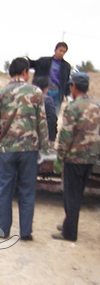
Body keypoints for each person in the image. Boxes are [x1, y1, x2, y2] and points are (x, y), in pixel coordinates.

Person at [0, 57, 49, 241]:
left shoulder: (0, 93)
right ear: (24, 72)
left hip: (7, 149)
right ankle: (25, 232)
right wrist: (44, 148)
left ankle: (3, 230)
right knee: (27, 189)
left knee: (5, 188)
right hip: (29, 149)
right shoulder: (36, 92)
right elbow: (42, 122)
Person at [52, 72, 100, 242]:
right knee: (78, 194)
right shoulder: (96, 105)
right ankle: (68, 224)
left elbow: (66, 136)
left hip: (74, 158)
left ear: (73, 87)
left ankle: (69, 233)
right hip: (90, 157)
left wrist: (59, 158)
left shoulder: (73, 108)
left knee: (70, 196)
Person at [28, 42, 71, 114]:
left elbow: (67, 81)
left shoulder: (66, 66)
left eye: (64, 52)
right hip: (44, 90)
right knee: (41, 111)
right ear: (55, 50)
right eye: (60, 50)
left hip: (57, 93)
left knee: (54, 113)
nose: (62, 53)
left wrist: (67, 95)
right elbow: (32, 64)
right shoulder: (43, 61)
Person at [32, 75, 58, 143]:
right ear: (45, 89)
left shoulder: (27, 99)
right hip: (44, 138)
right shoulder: (47, 100)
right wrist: (52, 138)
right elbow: (52, 119)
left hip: (29, 139)